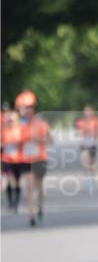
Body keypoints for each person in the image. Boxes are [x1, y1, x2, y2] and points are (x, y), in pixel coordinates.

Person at [16, 89, 53, 227]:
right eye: (24, 108)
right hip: (26, 159)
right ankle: (31, 215)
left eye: (29, 108)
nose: (27, 111)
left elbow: (50, 140)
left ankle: (40, 207)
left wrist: (38, 140)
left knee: (39, 187)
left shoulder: (41, 123)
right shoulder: (19, 125)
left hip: (40, 158)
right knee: (30, 186)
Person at [1, 110, 24, 212]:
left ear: (16, 121)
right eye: (9, 120)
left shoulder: (21, 131)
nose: (11, 122)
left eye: (12, 120)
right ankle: (10, 202)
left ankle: (16, 203)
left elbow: (25, 145)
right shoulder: (3, 132)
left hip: (19, 160)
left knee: (18, 183)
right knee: (10, 181)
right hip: (6, 160)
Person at [75, 105, 98, 179]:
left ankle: (95, 175)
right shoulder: (80, 121)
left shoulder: (96, 120)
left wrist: (95, 134)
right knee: (85, 160)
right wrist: (80, 133)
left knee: (93, 161)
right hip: (84, 144)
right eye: (85, 111)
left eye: (89, 111)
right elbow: (77, 132)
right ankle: (85, 175)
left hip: (93, 143)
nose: (87, 113)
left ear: (92, 112)